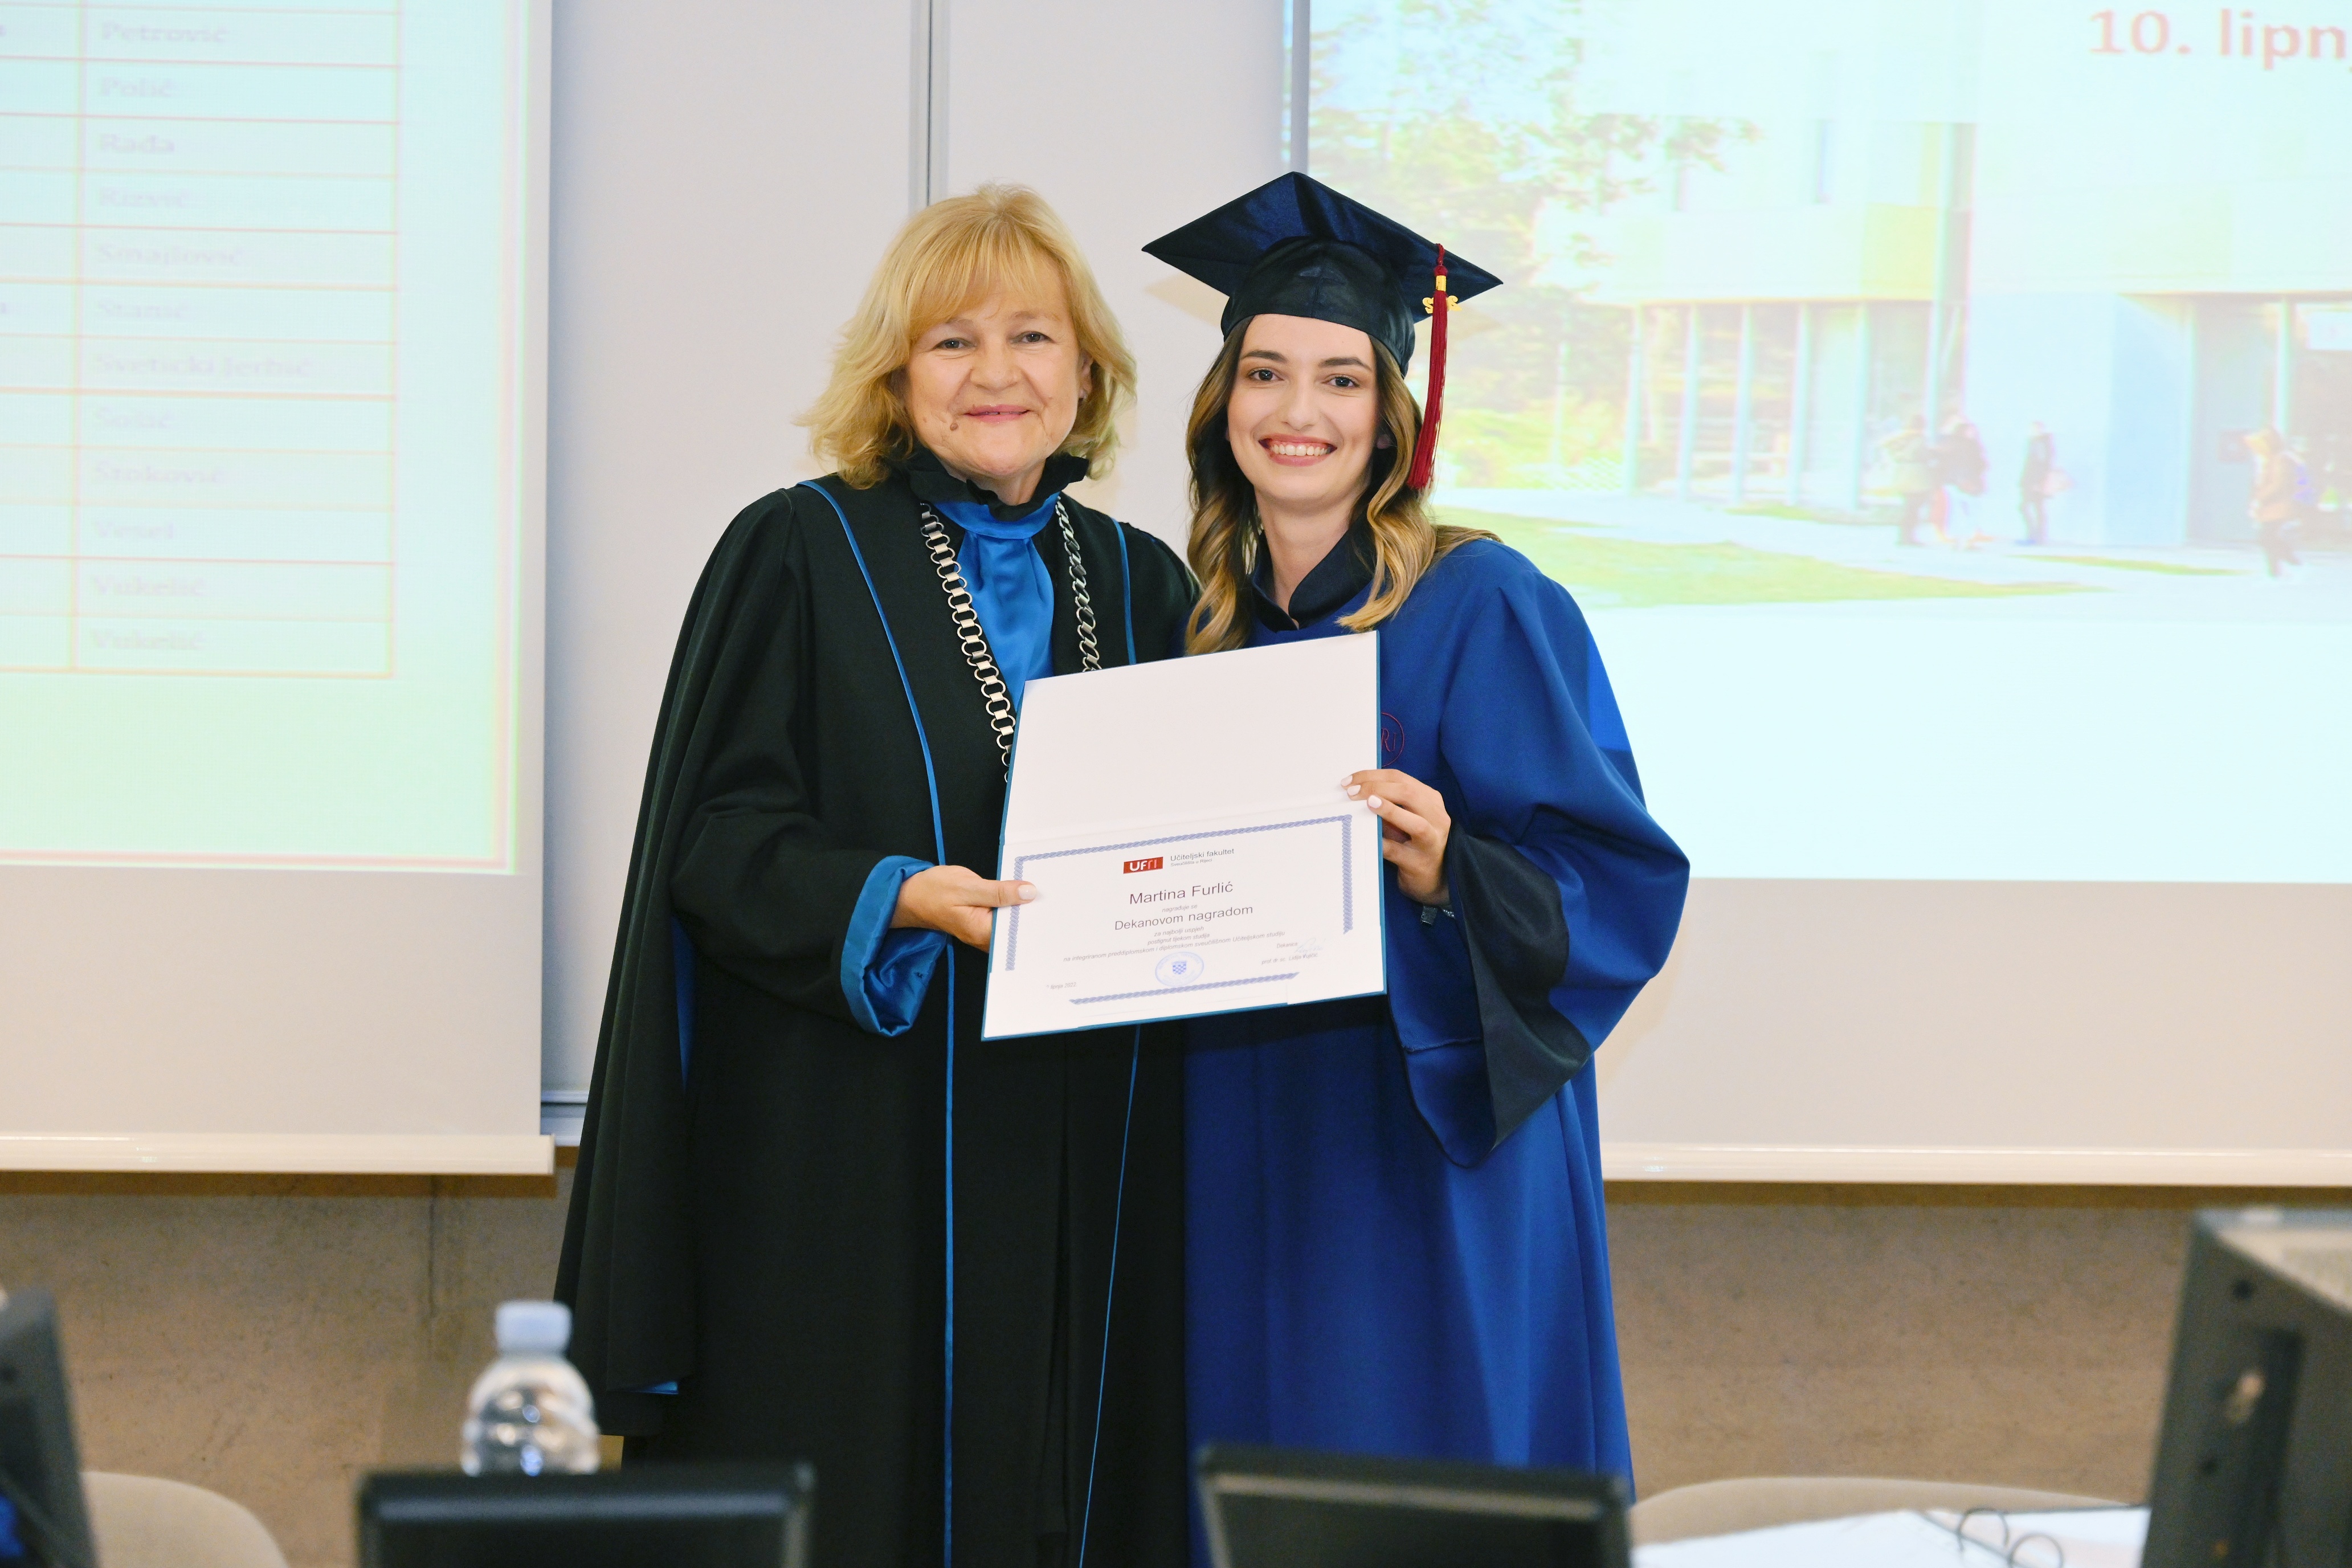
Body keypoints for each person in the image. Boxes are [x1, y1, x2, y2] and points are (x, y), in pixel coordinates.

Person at [555, 185, 1198, 1568]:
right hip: (852, 1162)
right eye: (951, 340)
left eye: (1032, 336)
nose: (995, 372)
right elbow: (713, 841)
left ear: (1087, 372)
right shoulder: (798, 549)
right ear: (896, 376)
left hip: (1078, 1147)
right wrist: (895, 895)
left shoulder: (1144, 582)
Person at [1141, 175, 1690, 1514]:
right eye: (1264, 372)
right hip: (1238, 1126)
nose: (1298, 410)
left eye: (1340, 379)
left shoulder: (1480, 598)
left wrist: (1454, 870)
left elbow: (1617, 882)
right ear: (1221, 403)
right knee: (1245, 1461)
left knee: (1417, 1463)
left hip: (1422, 1135)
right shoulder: (1193, 624)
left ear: (1394, 414)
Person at [2246, 427, 2306, 577]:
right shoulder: (2268, 460)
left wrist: (2261, 496)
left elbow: (2278, 484)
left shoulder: (2281, 460)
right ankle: (2275, 571)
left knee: (2268, 537)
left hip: (2279, 505)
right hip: (2269, 507)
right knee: (2268, 538)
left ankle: (2292, 561)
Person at [1880, 414, 1936, 546]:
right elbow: (1926, 456)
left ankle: (1904, 535)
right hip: (1917, 474)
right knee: (1914, 507)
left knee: (1909, 506)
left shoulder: (1899, 438)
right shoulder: (1919, 439)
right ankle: (1909, 536)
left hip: (1901, 473)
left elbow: (1885, 446)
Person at [2017, 420, 2056, 545]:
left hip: (2035, 482)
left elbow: (2042, 465)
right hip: (2032, 481)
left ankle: (2035, 536)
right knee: (2034, 508)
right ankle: (2036, 536)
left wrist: (2038, 482)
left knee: (2031, 507)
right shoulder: (2036, 443)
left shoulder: (2040, 444)